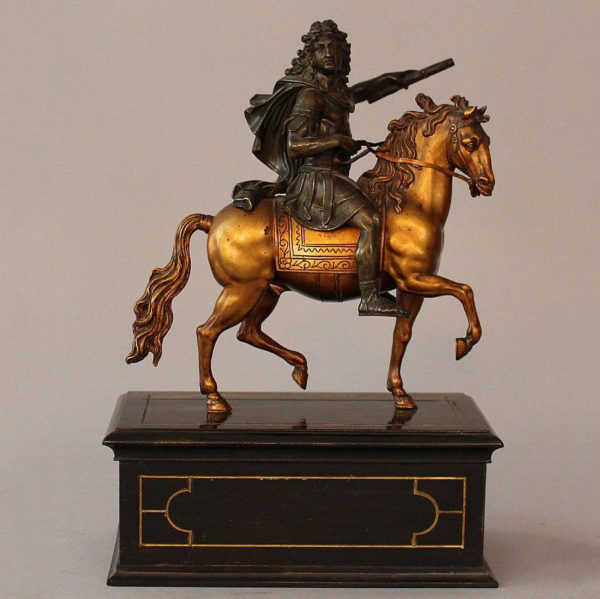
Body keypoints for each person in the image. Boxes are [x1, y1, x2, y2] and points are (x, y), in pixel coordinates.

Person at [233, 20, 420, 316]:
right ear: (311, 56)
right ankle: (370, 297)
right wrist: (337, 140)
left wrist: (402, 79)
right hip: (316, 180)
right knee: (372, 220)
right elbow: (295, 145)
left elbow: (364, 90)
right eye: (321, 48)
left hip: (333, 174)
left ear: (345, 55)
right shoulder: (311, 96)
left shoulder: (335, 92)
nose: (329, 53)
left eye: (335, 48)